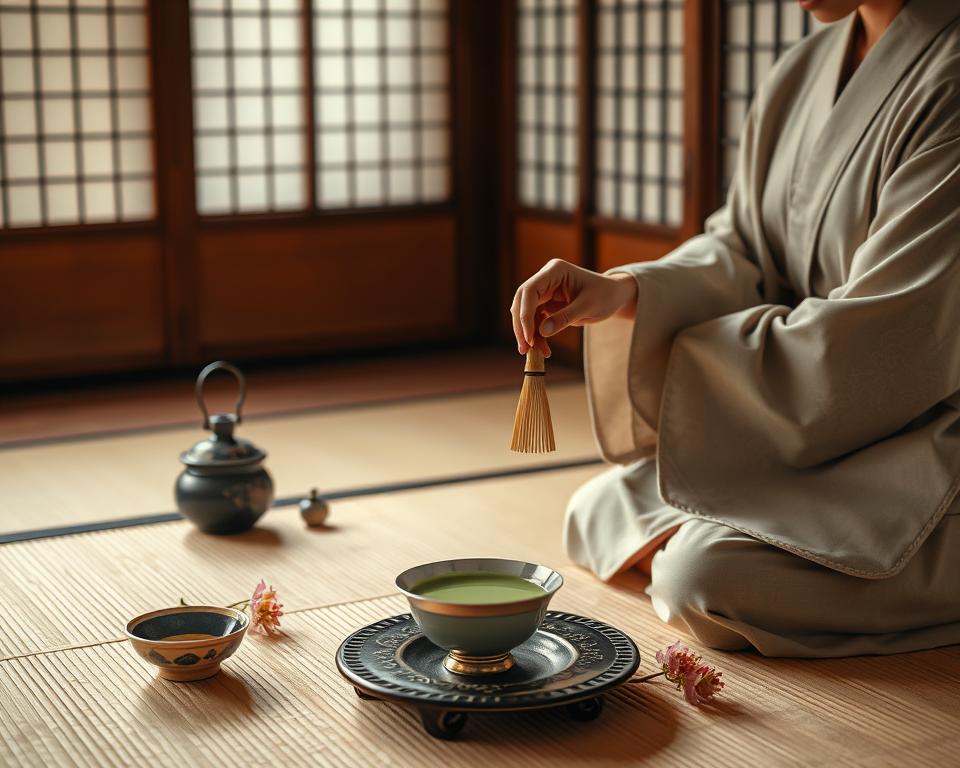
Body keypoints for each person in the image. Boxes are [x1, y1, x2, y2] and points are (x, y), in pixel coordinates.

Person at [510, 0, 960, 657]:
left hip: (918, 427)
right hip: (810, 422)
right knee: (599, 512)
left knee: (706, 575)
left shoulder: (948, 73)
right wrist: (627, 292)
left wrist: (698, 363)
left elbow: (892, 340)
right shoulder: (803, 69)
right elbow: (743, 247)